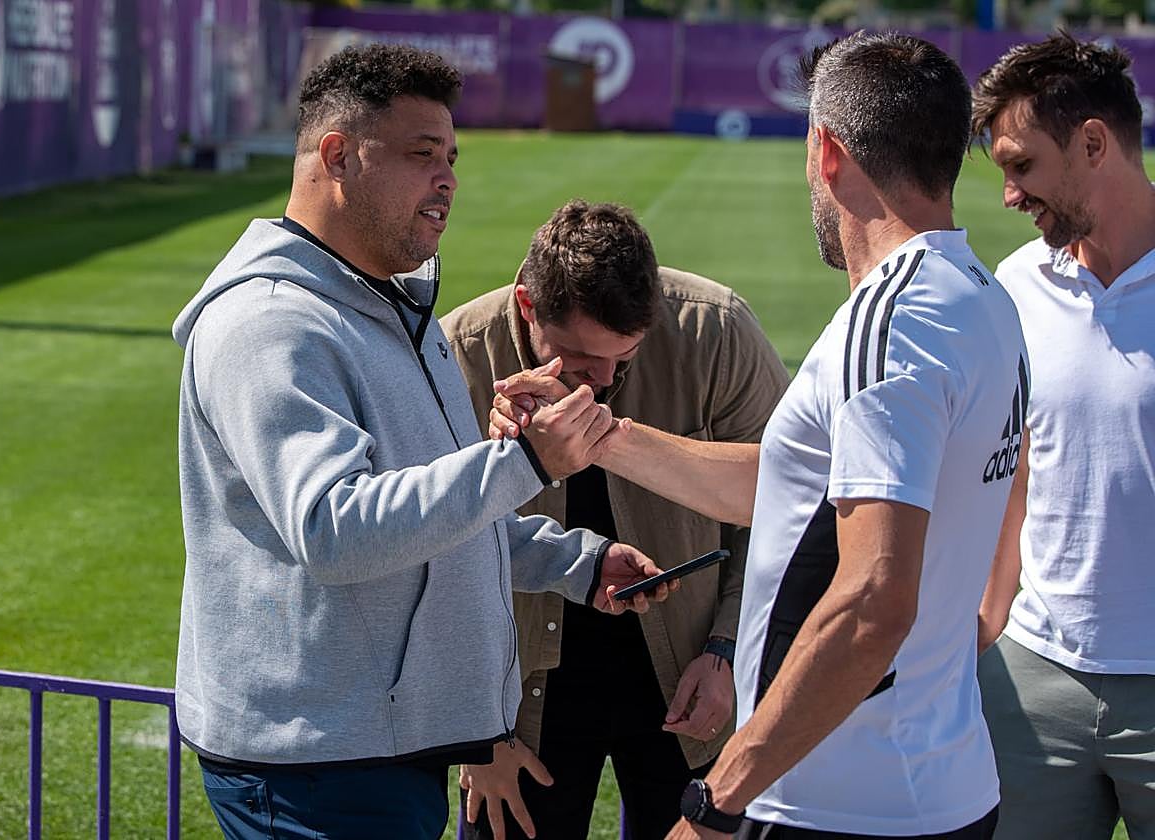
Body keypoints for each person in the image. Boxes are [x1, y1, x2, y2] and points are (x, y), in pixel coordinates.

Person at [493, 32, 1027, 839]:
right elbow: (791, 489)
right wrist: (600, 435)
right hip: (930, 782)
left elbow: (874, 600)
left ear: (827, 152)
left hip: (839, 800)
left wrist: (719, 799)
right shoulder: (983, 300)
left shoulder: (891, 323)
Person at [170, 44, 671, 840]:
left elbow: (433, 518)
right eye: (421, 154)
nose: (449, 180)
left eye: (452, 157)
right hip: (314, 769)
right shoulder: (271, 323)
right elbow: (337, 529)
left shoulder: (392, 313)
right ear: (337, 155)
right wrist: (527, 460)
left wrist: (575, 563)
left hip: (375, 749)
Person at [442, 199, 789, 840]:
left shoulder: (715, 329)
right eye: (577, 359)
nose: (601, 380)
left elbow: (787, 513)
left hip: (691, 681)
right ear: (526, 306)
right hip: (518, 706)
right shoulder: (457, 354)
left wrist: (728, 652)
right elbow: (433, 557)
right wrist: (475, 737)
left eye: (624, 356)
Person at [971, 33, 1155, 840]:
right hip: (1033, 679)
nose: (1010, 194)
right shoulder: (1014, 286)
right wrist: (988, 622)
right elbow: (1015, 468)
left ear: (1092, 142)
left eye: (1021, 165)